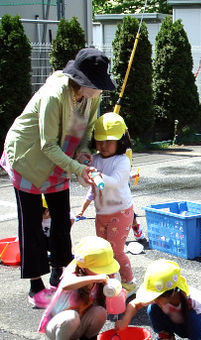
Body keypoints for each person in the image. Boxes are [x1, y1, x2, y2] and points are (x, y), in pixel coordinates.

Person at [1, 48, 116, 308]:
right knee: (31, 224)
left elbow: (86, 132)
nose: (101, 90)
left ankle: (60, 273)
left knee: (61, 220)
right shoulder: (54, 95)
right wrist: (78, 168)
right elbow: (46, 145)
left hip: (61, 158)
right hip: (28, 157)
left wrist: (84, 154)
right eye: (97, 85)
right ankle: (35, 285)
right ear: (83, 82)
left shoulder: (91, 98)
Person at [87, 112, 137, 295]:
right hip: (101, 212)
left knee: (116, 251)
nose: (103, 145)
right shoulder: (95, 159)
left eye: (109, 141)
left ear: (121, 141)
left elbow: (115, 181)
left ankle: (129, 282)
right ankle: (110, 283)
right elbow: (87, 183)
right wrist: (83, 172)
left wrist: (97, 175)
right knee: (103, 252)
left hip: (120, 211)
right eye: (100, 141)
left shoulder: (122, 161)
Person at [38, 236, 120, 340]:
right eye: (100, 268)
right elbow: (65, 285)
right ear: (84, 266)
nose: (104, 272)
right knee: (71, 317)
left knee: (100, 312)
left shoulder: (99, 279)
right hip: (58, 326)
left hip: (79, 325)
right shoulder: (73, 272)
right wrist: (94, 278)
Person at [115, 260, 201, 340]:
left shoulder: (193, 298)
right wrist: (125, 321)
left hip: (192, 327)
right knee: (153, 308)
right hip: (173, 323)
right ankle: (166, 335)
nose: (153, 299)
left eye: (155, 297)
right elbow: (134, 304)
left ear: (170, 293)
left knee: (194, 316)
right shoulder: (160, 298)